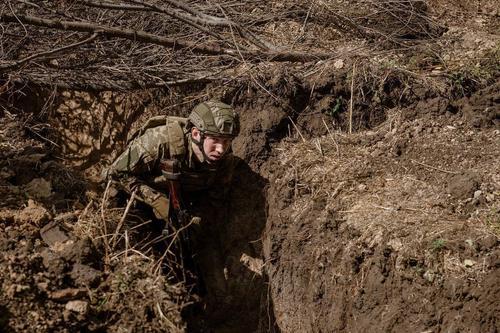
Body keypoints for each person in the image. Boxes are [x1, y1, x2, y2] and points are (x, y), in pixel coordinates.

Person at [102, 99, 240, 226]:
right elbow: (114, 174)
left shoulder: (224, 160)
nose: (221, 149)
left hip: (181, 206)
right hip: (137, 202)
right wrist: (156, 200)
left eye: (226, 141)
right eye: (215, 140)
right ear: (196, 134)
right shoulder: (158, 142)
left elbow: (216, 198)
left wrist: (196, 219)